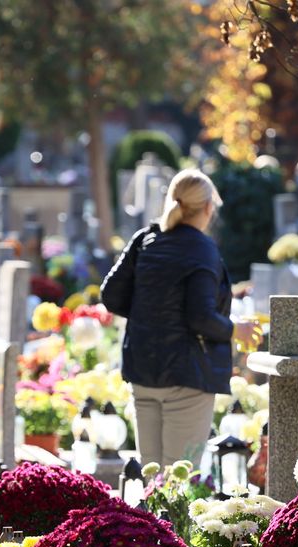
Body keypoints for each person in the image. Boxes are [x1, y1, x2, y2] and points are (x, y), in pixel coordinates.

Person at [101, 168, 233, 468]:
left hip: (143, 371)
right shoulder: (203, 249)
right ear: (208, 208)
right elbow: (201, 317)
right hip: (187, 377)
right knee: (179, 482)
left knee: (153, 478)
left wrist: (151, 315)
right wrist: (234, 330)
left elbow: (111, 295)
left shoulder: (145, 239)